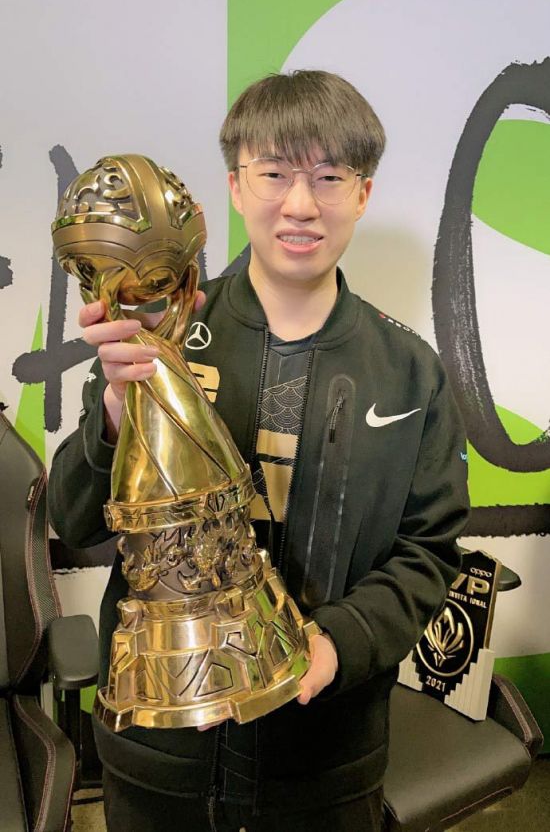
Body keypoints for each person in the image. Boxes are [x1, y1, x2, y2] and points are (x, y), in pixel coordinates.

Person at [48, 70, 470, 832]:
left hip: (325, 760)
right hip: (161, 752)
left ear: (363, 194)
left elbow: (428, 553)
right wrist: (115, 410)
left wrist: (336, 644)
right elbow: (74, 521)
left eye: (329, 177)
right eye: (274, 173)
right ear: (235, 187)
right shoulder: (156, 338)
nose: (300, 204)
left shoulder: (410, 373)